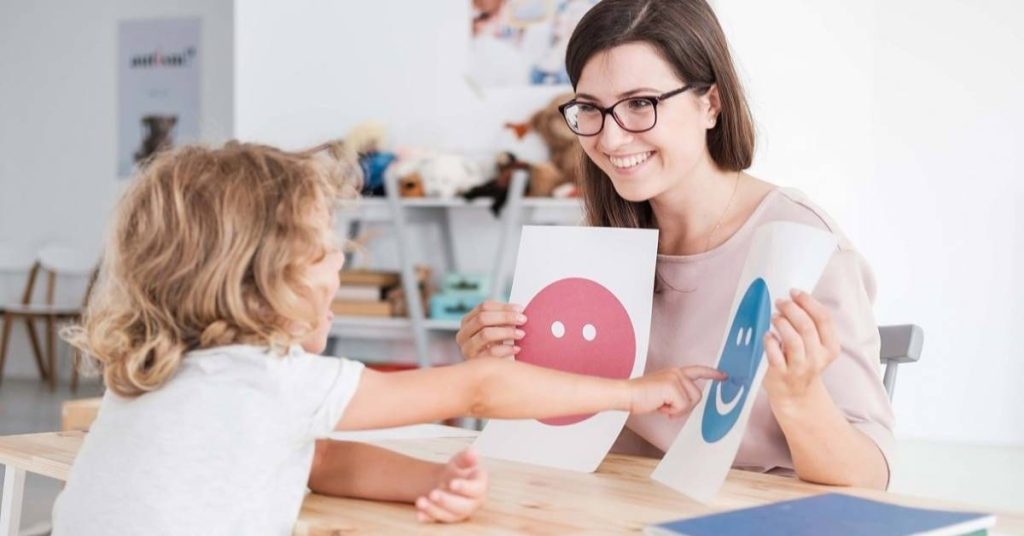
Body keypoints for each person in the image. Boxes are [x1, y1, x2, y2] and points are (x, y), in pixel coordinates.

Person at [51, 141, 723, 535]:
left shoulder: (155, 376)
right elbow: (483, 386)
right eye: (323, 250)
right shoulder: (270, 380)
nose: (341, 263)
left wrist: (429, 479)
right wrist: (634, 391)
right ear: (260, 280)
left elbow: (317, 461)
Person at [456, 0, 894, 489]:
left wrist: (799, 396)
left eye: (640, 104)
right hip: (615, 504)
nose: (611, 139)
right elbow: (561, 428)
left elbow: (869, 476)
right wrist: (500, 364)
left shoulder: (803, 247)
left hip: (751, 510)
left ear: (711, 103)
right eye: (591, 109)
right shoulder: (601, 243)